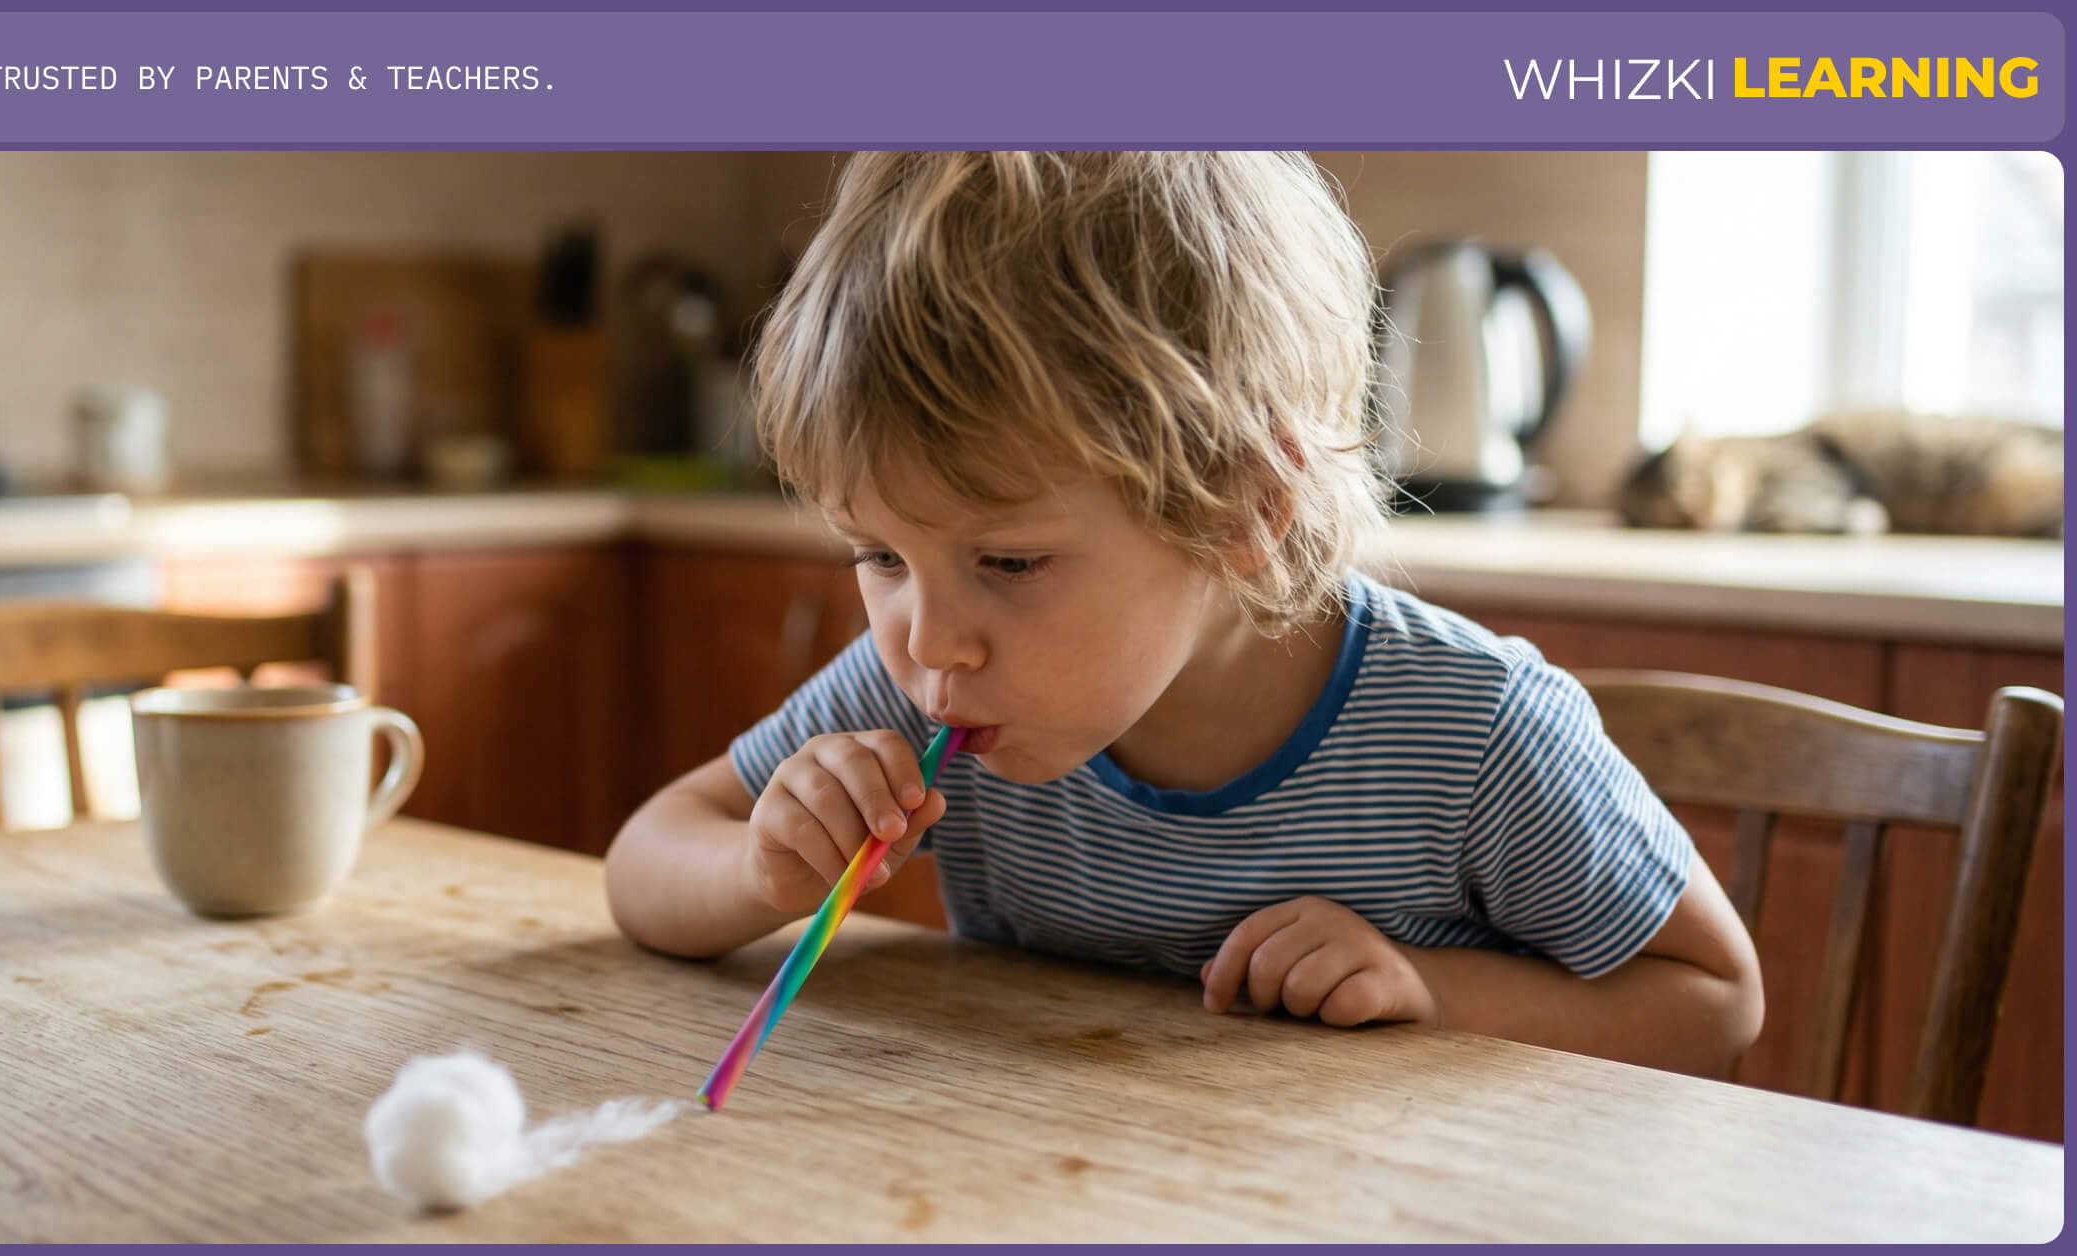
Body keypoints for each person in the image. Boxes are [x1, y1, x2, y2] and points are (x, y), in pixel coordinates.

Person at [605, 151, 1761, 1076]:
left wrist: (1432, 990)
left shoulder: (1475, 734)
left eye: (1008, 559)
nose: (925, 638)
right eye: (879, 553)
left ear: (1247, 508)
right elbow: (646, 858)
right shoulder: (927, 682)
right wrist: (763, 870)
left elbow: (1713, 1001)